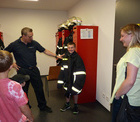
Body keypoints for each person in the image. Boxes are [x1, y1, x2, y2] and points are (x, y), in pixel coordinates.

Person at [5, 27, 62, 113]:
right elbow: (4, 54)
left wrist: (56, 56)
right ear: (23, 36)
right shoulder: (14, 44)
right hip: (22, 71)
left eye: (32, 36)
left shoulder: (34, 43)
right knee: (24, 90)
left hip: (34, 70)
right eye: (29, 36)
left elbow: (44, 50)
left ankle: (42, 106)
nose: (31, 38)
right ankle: (27, 107)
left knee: (39, 88)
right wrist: (11, 64)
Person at [110, 24, 140, 122]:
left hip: (127, 99)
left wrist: (117, 95)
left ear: (131, 35)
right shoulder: (138, 51)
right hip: (135, 99)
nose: (120, 39)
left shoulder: (133, 52)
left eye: (123, 36)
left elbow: (130, 81)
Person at [0, 50, 33, 122]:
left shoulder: (14, 86)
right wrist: (30, 118)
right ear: (11, 66)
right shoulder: (14, 86)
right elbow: (24, 108)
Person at [57, 42, 86, 115]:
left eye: (72, 47)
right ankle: (67, 104)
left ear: (75, 48)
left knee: (75, 92)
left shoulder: (77, 58)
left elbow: (81, 72)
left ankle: (75, 106)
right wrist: (60, 81)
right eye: (69, 47)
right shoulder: (65, 57)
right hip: (67, 78)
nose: (70, 49)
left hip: (74, 79)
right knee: (67, 91)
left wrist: (77, 83)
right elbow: (63, 69)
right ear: (67, 48)